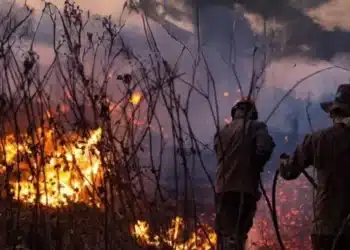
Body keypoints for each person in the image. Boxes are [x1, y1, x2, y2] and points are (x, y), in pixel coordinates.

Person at [279, 84, 350, 250]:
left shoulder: (317, 140)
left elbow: (288, 171)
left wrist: (282, 161)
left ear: (333, 113)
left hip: (326, 230)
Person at [214, 98, 275, 250]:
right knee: (238, 235)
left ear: (235, 112)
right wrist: (254, 164)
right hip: (244, 190)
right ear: (252, 113)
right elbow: (265, 148)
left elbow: (219, 155)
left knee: (224, 234)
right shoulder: (257, 127)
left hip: (222, 190)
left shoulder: (222, 131)